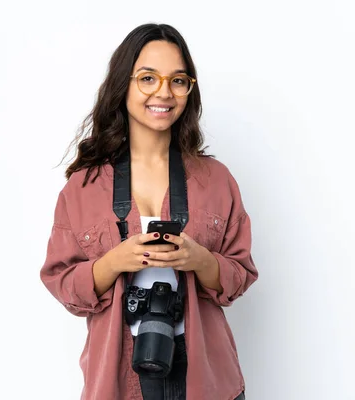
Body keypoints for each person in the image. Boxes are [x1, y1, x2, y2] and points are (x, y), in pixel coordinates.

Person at [39, 23, 258, 400]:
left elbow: (240, 275)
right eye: (147, 78)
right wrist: (115, 262)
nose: (163, 91)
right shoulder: (83, 187)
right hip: (118, 379)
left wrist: (200, 259)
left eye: (178, 80)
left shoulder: (217, 180)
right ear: (123, 84)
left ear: (190, 89)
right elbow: (61, 282)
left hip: (206, 378)